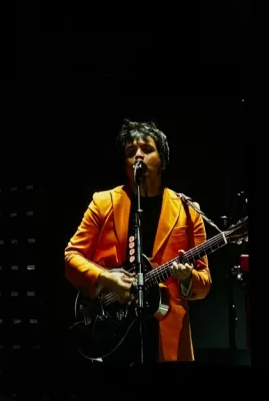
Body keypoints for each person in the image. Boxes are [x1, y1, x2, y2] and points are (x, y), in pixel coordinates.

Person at [64, 119, 212, 363]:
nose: (138, 156)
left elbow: (204, 283)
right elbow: (71, 258)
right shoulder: (103, 203)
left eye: (147, 149)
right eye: (131, 152)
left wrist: (187, 279)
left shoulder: (188, 211)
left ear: (163, 161)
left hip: (167, 337)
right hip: (112, 332)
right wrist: (105, 278)